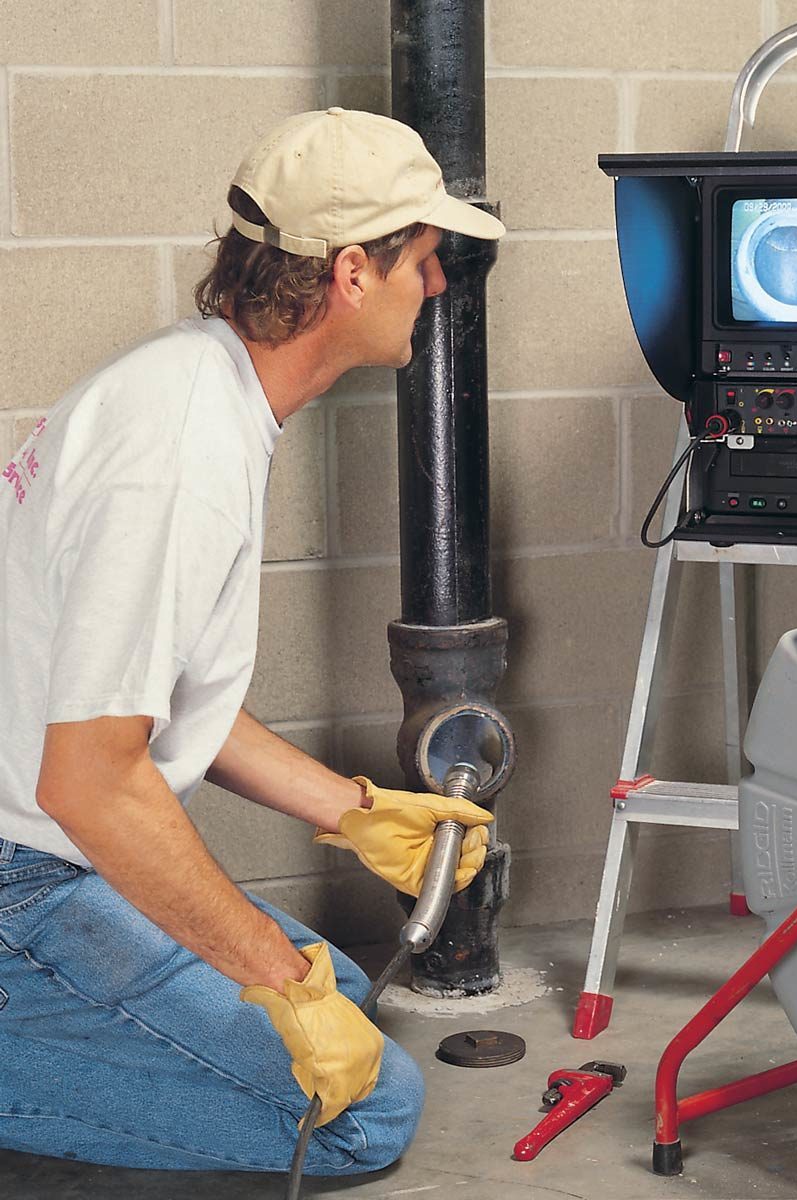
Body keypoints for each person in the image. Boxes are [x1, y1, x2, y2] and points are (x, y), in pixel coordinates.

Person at [0, 108, 503, 1176]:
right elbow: (93, 780)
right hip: (22, 879)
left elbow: (148, 690)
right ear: (353, 273)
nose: (440, 285)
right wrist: (277, 981)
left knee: (350, 999)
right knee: (361, 1112)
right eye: (426, 258)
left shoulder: (199, 387)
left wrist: (355, 812)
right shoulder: (180, 453)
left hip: (46, 851)